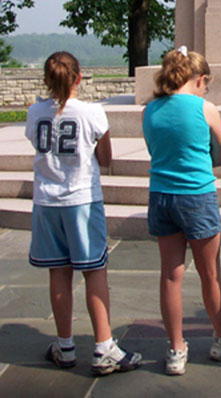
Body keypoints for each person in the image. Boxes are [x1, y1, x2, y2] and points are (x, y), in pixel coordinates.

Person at [25, 51, 142, 375]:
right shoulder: (91, 113)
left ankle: (65, 345)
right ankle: (104, 345)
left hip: (47, 201)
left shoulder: (35, 112)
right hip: (81, 199)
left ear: (47, 80)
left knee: (58, 272)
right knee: (94, 271)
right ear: (79, 78)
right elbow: (105, 158)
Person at [142, 47, 221, 376]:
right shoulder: (205, 108)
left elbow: (155, 150)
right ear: (199, 79)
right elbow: (219, 155)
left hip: (161, 195)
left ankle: (176, 348)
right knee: (210, 274)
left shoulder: (150, 110)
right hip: (196, 196)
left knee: (171, 276)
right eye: (206, 84)